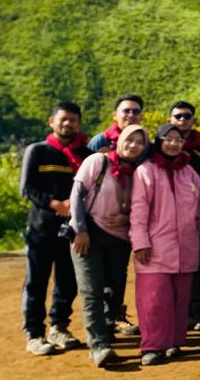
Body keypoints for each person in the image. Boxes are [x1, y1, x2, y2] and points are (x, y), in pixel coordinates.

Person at [129, 124, 200, 366]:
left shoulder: (190, 173)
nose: (174, 143)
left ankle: (174, 342)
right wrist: (140, 241)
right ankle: (152, 346)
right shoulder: (146, 170)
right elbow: (139, 210)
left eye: (178, 139)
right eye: (168, 138)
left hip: (186, 247)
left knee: (180, 298)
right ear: (159, 141)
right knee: (154, 300)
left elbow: (199, 210)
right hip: (154, 247)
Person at [69, 124, 146, 367]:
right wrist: (79, 230)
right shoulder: (98, 161)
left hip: (120, 238)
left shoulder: (140, 172)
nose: (134, 145)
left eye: (140, 142)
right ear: (119, 141)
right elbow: (76, 195)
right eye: (129, 140)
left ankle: (108, 329)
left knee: (114, 289)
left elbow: (144, 204)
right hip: (89, 234)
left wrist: (128, 216)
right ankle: (98, 345)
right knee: (91, 290)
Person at [20, 102, 92, 355]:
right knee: (35, 283)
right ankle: (35, 334)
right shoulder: (37, 151)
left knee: (67, 282)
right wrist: (55, 204)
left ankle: (59, 327)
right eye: (63, 119)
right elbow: (26, 188)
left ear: (78, 124)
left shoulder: (84, 154)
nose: (68, 124)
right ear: (51, 122)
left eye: (73, 120)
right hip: (40, 229)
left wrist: (72, 208)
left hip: (71, 229)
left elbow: (89, 190)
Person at [168, 101, 200, 332]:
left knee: (193, 267)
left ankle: (193, 313)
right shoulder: (161, 144)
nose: (182, 120)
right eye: (177, 116)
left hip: (193, 212)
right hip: (165, 215)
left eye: (186, 116)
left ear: (193, 120)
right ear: (170, 120)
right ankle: (169, 315)